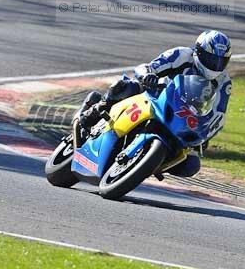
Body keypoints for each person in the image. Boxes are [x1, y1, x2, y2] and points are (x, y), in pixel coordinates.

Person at [79, 30, 232, 177]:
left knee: (191, 164)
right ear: (198, 51)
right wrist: (147, 76)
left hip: (182, 117)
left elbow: (218, 115)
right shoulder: (181, 55)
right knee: (126, 86)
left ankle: (149, 164)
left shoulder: (223, 82)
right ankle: (94, 111)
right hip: (156, 95)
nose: (215, 65)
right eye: (211, 59)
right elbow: (146, 67)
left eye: (221, 61)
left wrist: (206, 133)